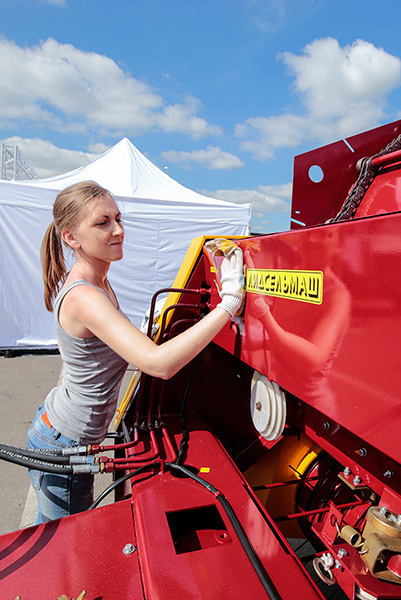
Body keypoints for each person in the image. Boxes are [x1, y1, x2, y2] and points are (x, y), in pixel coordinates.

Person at [27, 180, 244, 524]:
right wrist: (229, 304)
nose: (118, 230)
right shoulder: (85, 295)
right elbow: (159, 365)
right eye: (102, 223)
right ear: (70, 237)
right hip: (64, 440)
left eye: (118, 218)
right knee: (63, 547)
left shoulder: (98, 281)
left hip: (68, 431)